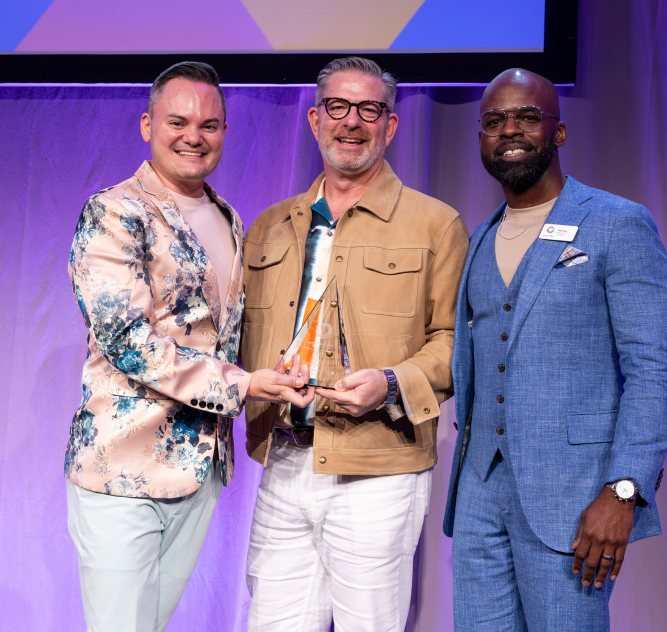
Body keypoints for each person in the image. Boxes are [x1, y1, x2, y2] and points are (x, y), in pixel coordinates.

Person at [64, 61, 313, 632]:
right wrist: (244, 385)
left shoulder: (228, 217)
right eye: (178, 121)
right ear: (148, 124)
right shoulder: (114, 213)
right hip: (121, 469)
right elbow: (128, 341)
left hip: (199, 470)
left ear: (225, 132)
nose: (193, 136)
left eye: (210, 124)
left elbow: (223, 333)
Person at [443, 68, 667, 631]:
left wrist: (624, 489)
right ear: (480, 137)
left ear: (559, 132)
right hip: (479, 494)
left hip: (574, 497)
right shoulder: (480, 237)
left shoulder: (616, 223)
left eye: (527, 117)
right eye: (494, 121)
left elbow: (654, 370)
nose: (510, 131)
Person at [241, 56, 469, 631]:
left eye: (369, 109)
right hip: (287, 459)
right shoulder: (269, 225)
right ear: (315, 120)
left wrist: (391, 383)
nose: (352, 122)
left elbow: (455, 342)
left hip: (379, 467)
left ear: (390, 126)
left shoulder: (435, 224)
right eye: (338, 108)